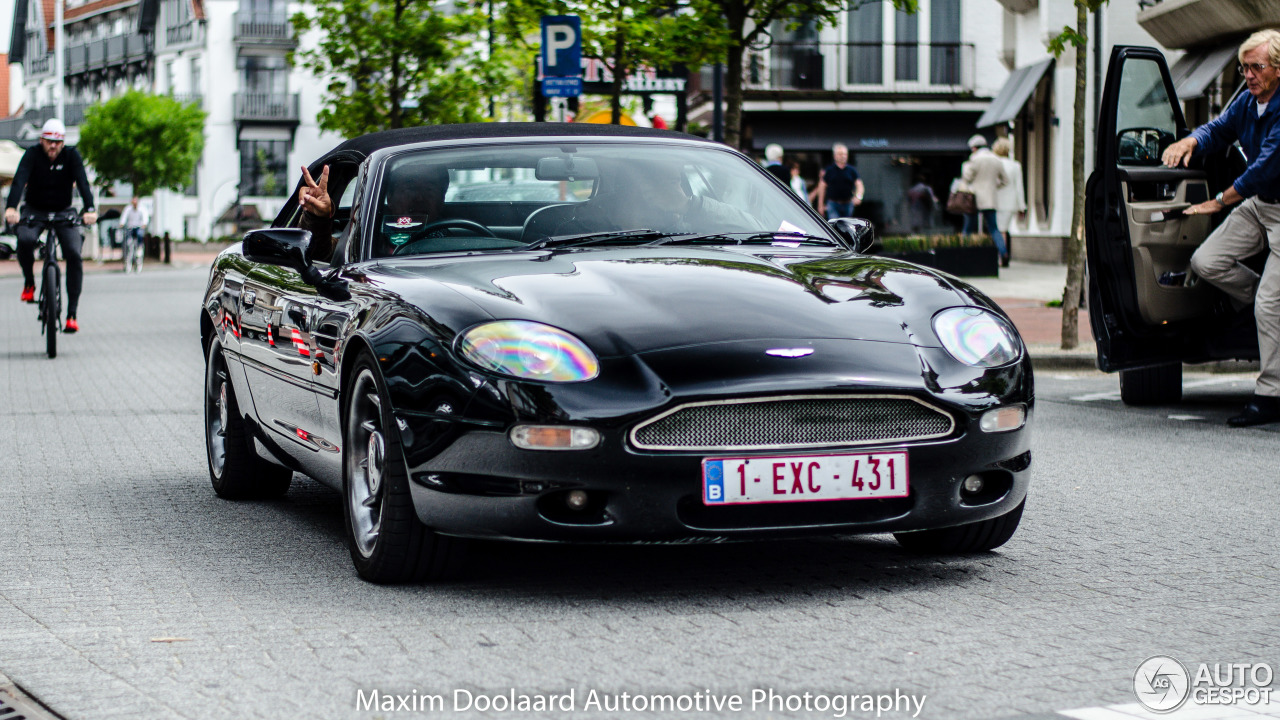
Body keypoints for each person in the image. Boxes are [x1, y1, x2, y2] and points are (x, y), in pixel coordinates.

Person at [1168, 29, 1280, 427]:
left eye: (1257, 67)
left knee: (1269, 305)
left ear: (1278, 69)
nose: (1248, 75)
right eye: (1244, 67)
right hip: (1261, 204)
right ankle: (1271, 309)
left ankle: (1269, 396)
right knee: (1207, 261)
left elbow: (1265, 168)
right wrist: (1192, 142)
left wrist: (1217, 201)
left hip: (1273, 201)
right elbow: (1219, 128)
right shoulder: (1248, 103)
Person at [4, 118, 97, 333]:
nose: (53, 146)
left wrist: (90, 208)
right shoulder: (32, 155)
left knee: (74, 253)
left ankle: (71, 314)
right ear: (41, 140)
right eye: (48, 141)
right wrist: (11, 208)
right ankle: (29, 282)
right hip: (34, 211)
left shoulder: (72, 156)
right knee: (25, 240)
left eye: (57, 142)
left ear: (63, 142)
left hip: (64, 211)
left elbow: (83, 182)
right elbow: (19, 180)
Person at [960, 134, 1008, 265]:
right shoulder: (996, 159)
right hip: (990, 199)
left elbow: (967, 178)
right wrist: (993, 186)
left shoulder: (974, 160)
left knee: (968, 228)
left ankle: (964, 253)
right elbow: (1005, 180)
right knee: (994, 228)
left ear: (974, 148)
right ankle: (1003, 252)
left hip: (974, 199)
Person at [992, 138, 1026, 268]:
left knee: (998, 230)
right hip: (1010, 203)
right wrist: (1021, 206)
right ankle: (1002, 256)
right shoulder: (1015, 165)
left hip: (995, 201)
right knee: (1003, 230)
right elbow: (1019, 186)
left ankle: (1001, 256)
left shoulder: (994, 164)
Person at [814, 143, 864, 220]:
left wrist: (858, 197)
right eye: (840, 154)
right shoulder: (829, 170)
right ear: (835, 156)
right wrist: (820, 204)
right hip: (833, 204)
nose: (843, 156)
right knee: (834, 224)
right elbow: (822, 187)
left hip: (847, 203)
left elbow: (859, 185)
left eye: (845, 154)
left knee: (846, 225)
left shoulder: (852, 170)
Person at [119, 196, 149, 273]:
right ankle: (128, 263)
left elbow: (145, 218)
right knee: (128, 244)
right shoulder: (128, 209)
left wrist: (144, 224)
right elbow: (124, 217)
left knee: (139, 236)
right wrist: (122, 223)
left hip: (138, 228)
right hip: (130, 228)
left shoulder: (142, 209)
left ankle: (139, 250)